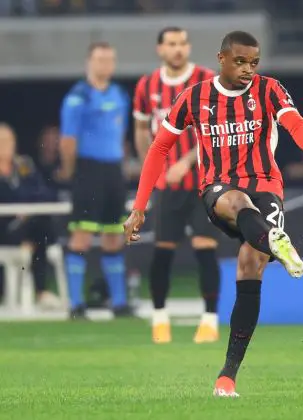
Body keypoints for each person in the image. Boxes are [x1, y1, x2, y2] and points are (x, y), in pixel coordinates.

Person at [123, 31, 303, 397]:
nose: (248, 69)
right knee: (236, 202)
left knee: (250, 265)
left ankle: (227, 376)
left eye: (254, 62)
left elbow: (294, 121)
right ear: (221, 58)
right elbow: (159, 149)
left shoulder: (269, 90)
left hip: (266, 185)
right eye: (240, 61)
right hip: (218, 187)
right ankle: (275, 241)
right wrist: (140, 206)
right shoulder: (195, 97)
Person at [133, 27, 220, 344]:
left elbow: (215, 130)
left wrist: (186, 162)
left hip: (203, 184)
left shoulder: (207, 80)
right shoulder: (147, 85)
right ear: (160, 49)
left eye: (183, 43)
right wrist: (151, 168)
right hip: (167, 188)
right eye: (172, 44)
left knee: (205, 250)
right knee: (163, 252)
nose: (179, 49)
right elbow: (142, 130)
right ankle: (159, 319)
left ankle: (209, 320)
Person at [58, 41, 131, 319]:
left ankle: (120, 303)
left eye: (109, 60)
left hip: (113, 170)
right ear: (89, 63)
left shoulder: (119, 95)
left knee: (114, 235)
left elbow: (119, 135)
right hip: (88, 170)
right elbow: (68, 140)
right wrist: (70, 170)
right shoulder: (78, 97)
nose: (105, 65)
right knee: (82, 236)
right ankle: (76, 305)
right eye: (100, 60)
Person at [0, 123, 62, 309]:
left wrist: (24, 209)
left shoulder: (23, 165)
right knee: (40, 228)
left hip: (26, 223)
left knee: (40, 224)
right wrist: (21, 204)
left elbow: (43, 192)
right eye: (2, 141)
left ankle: (41, 293)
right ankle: (40, 291)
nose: (7, 145)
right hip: (4, 227)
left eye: (10, 141)